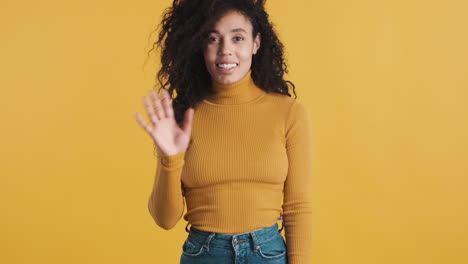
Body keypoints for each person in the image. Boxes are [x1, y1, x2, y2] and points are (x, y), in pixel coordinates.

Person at [134, 0, 313, 263]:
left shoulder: (289, 113)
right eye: (213, 38)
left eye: (237, 38)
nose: (225, 50)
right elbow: (164, 219)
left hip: (268, 253)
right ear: (200, 46)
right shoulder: (181, 117)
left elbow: (297, 208)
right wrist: (169, 158)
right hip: (204, 253)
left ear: (256, 43)